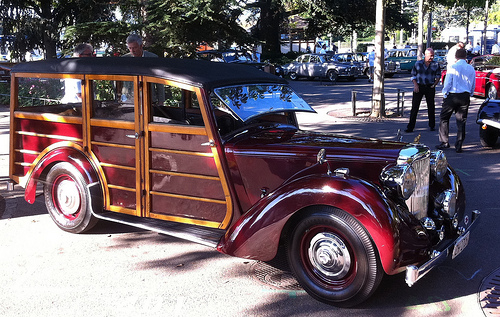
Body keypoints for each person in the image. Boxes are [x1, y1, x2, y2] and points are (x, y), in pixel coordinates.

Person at [436, 48, 476, 153]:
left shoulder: (453, 67)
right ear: (465, 57)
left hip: (453, 95)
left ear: (456, 57)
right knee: (461, 121)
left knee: (444, 118)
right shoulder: (471, 68)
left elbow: (448, 82)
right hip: (464, 96)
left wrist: (445, 93)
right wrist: (470, 93)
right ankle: (459, 144)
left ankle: (444, 142)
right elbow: (473, 83)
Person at [405, 48, 441, 133]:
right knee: (415, 107)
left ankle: (432, 125)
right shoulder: (418, 64)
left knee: (431, 106)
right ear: (425, 55)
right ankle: (410, 126)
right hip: (419, 86)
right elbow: (413, 75)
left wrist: (434, 84)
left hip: (430, 87)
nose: (431, 57)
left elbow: (438, 75)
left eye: (433, 56)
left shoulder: (435, 64)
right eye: (430, 55)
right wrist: (415, 85)